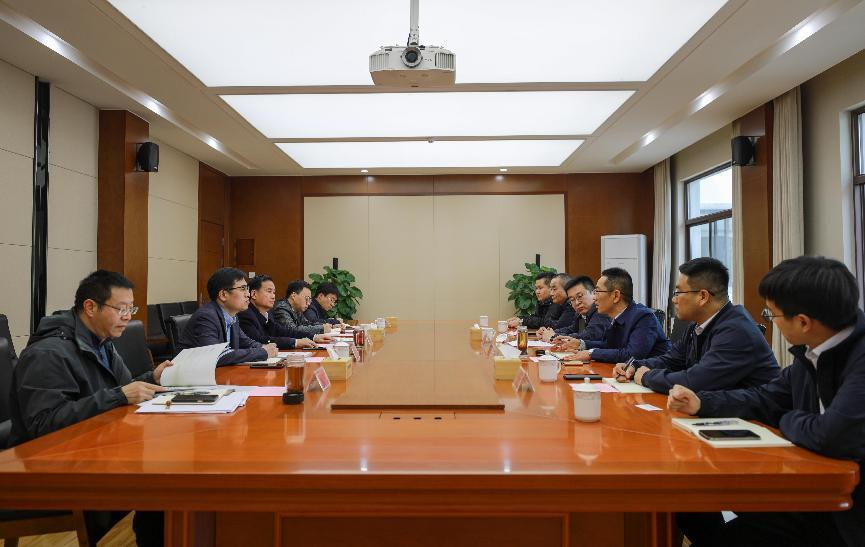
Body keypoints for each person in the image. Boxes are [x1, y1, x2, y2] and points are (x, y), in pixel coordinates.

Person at [669, 256, 865, 547]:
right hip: (808, 480)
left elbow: (831, 434)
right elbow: (766, 397)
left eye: (771, 314)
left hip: (847, 509)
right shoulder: (812, 351)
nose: (770, 321)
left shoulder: (858, 358)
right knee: (693, 507)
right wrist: (702, 404)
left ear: (803, 322)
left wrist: (788, 420)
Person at [9, 270, 168, 546]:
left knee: (163, 473)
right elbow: (44, 425)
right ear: (90, 307)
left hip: (94, 447)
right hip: (50, 466)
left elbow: (120, 388)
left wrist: (151, 378)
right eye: (121, 309)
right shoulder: (48, 353)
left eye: (131, 309)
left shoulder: (102, 342)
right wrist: (118, 395)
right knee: (161, 483)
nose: (128, 316)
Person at [613, 257, 779, 394]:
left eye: (678, 293)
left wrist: (646, 377)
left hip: (755, 420)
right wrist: (634, 365)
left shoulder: (736, 330)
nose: (674, 299)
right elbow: (671, 360)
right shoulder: (696, 326)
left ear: (703, 297)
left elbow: (696, 381)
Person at [565, 267, 670, 362]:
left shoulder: (644, 317)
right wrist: (582, 344)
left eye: (597, 291)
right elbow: (610, 346)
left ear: (616, 296)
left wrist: (591, 353)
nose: (594, 297)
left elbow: (632, 355)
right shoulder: (618, 316)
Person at [176, 268, 277, 366]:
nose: (248, 294)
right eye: (242, 289)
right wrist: (262, 352)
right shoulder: (206, 317)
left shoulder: (232, 316)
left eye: (247, 289)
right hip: (192, 374)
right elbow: (216, 355)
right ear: (223, 295)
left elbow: (246, 342)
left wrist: (265, 347)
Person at [238, 275, 329, 349]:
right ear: (254, 294)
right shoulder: (246, 314)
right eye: (269, 291)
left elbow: (283, 331)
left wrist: (314, 337)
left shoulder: (267, 313)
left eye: (274, 292)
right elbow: (260, 340)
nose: (273, 296)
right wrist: (295, 342)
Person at [548, 275, 611, 346]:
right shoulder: (580, 313)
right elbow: (572, 329)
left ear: (594, 293)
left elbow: (590, 335)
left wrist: (554, 336)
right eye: (572, 300)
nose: (577, 303)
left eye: (580, 296)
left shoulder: (601, 311)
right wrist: (550, 332)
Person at [536, 273, 575, 341]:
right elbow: (568, 329)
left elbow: (558, 326)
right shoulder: (561, 303)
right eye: (551, 289)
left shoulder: (572, 305)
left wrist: (551, 333)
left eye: (554, 289)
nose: (551, 293)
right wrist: (545, 332)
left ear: (567, 289)